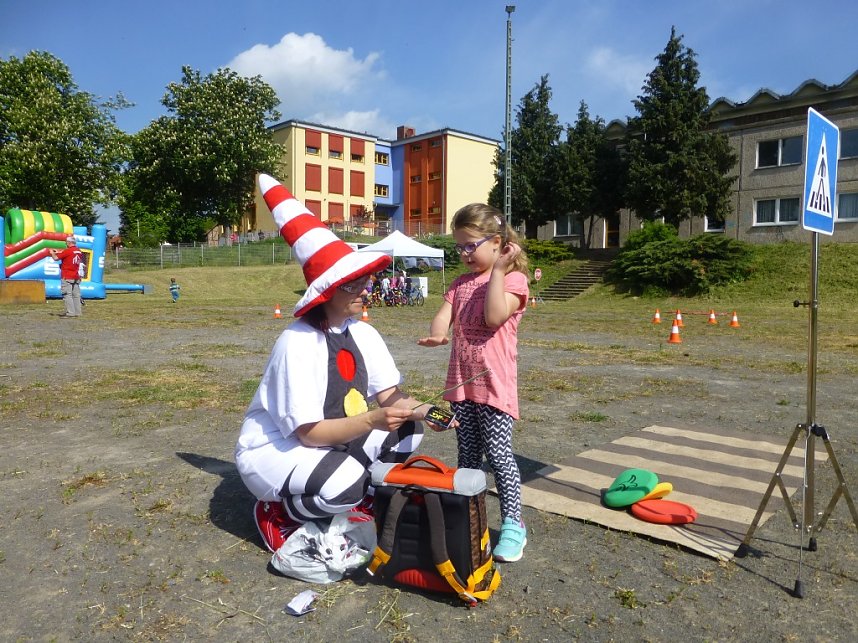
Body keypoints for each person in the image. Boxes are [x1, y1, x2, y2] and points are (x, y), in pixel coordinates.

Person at [235, 174, 440, 554]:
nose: (365, 288)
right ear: (325, 294)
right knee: (348, 480)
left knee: (409, 431)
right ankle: (279, 511)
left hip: (329, 438)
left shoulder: (362, 333)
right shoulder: (296, 342)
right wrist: (372, 420)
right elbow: (308, 434)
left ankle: (347, 499)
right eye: (353, 284)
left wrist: (427, 410)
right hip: (276, 449)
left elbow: (391, 395)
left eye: (364, 280)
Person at [418, 203, 530, 562]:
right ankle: (468, 519)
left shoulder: (513, 280)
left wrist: (497, 271)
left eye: (471, 245)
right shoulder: (459, 283)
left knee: (498, 455)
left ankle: (514, 524)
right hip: (463, 385)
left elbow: (495, 315)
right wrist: (438, 333)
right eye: (459, 247)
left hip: (493, 386)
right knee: (467, 457)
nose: (464, 254)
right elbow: (445, 314)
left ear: (497, 243)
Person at [48, 235, 84, 318]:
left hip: (67, 276)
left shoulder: (67, 251)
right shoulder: (78, 251)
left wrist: (52, 253)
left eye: (66, 242)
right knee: (76, 295)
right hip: (76, 276)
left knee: (67, 294)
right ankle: (77, 312)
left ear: (69, 243)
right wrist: (59, 251)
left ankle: (70, 313)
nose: (66, 244)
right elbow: (68, 255)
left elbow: (56, 258)